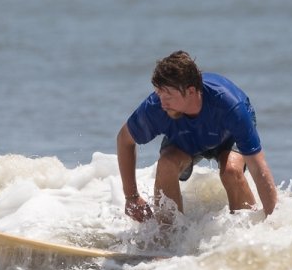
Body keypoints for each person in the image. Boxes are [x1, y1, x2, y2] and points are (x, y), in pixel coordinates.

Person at [116, 51, 277, 221]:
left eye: (168, 95)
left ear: (191, 91)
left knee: (231, 171)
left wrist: (274, 224)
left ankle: (249, 233)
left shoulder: (230, 106)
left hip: (227, 135)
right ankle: (166, 240)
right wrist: (131, 197)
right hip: (185, 139)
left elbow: (259, 169)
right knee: (166, 165)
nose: (162, 102)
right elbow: (124, 140)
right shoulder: (157, 107)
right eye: (158, 93)